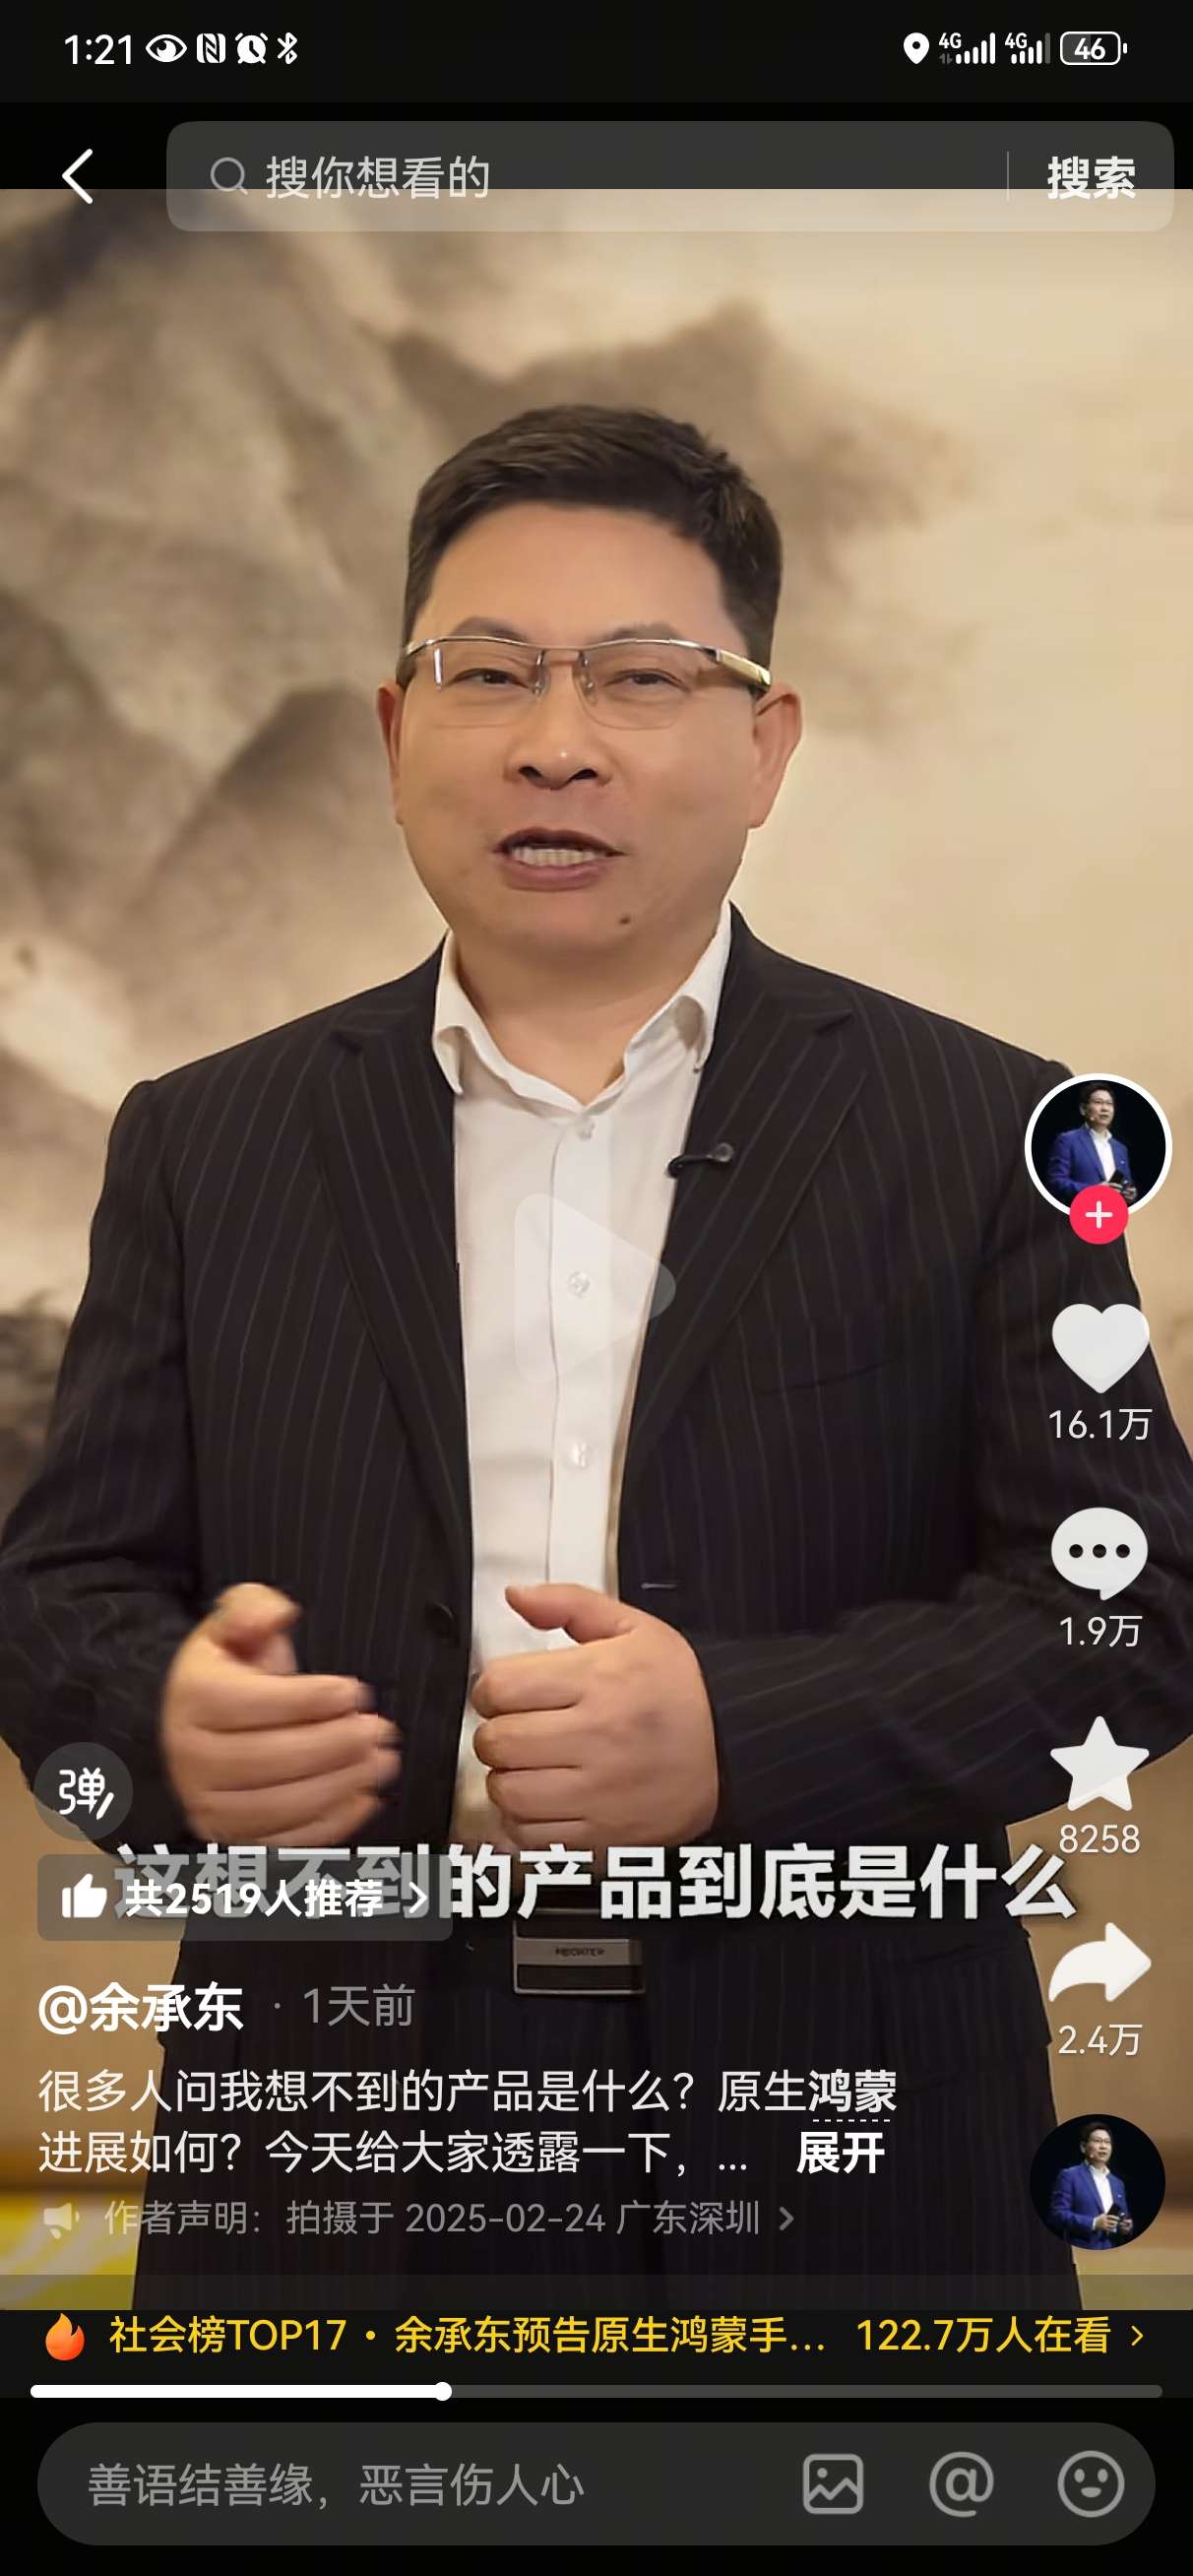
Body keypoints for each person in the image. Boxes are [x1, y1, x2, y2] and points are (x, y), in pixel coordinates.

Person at [2, 403, 1192, 2311]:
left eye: (641, 675)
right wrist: (161, 1721)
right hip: (341, 2149)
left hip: (845, 2141)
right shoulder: (206, 1144)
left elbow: (1129, 1620)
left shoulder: (992, 1135)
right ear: (394, 731)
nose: (554, 739)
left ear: (764, 746)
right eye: (488, 672)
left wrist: (739, 1735)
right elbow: (58, 1594)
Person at [1045, 1085, 1138, 1205]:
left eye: (1109, 1103)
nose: (1105, 1108)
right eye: (1098, 1102)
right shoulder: (1068, 1140)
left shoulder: (1120, 1149)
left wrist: (1130, 1194)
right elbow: (1056, 1182)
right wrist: (1094, 1191)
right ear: (1083, 1109)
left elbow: (1126, 1183)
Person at [1047, 2123, 1135, 2248]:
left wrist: (1125, 2227)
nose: (1103, 2146)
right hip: (1082, 2248)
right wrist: (1093, 2223)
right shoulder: (1070, 2176)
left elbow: (1123, 2216)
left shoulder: (1118, 2183)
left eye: (1107, 2142)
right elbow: (1057, 2215)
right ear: (1083, 2147)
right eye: (1097, 2141)